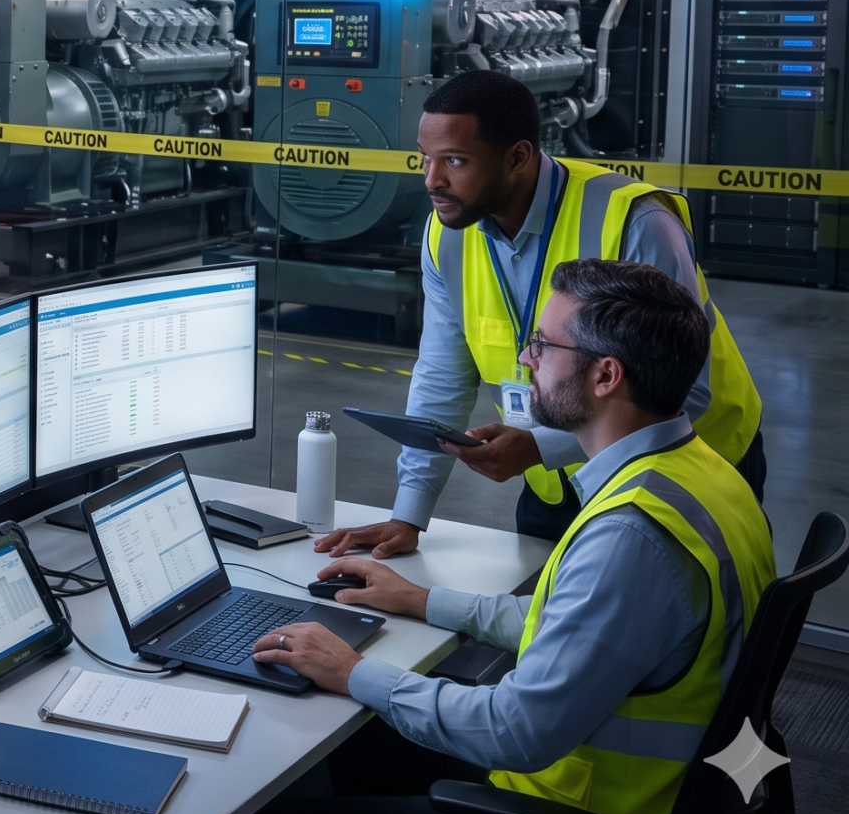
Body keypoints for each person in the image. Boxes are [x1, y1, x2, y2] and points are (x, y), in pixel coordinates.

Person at [244, 258, 774, 814]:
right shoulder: (700, 475)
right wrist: (420, 600)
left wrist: (351, 671)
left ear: (606, 375)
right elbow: (585, 626)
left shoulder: (633, 536)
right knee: (362, 741)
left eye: (543, 345)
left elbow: (518, 732)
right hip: (658, 791)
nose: (526, 360)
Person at [316, 70, 762, 553]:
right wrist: (409, 513)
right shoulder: (446, 234)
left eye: (455, 161)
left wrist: (537, 445)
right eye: (425, 159)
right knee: (540, 615)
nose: (432, 180)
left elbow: (683, 393)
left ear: (518, 157)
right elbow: (442, 375)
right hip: (556, 477)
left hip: (677, 471)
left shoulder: (636, 222)